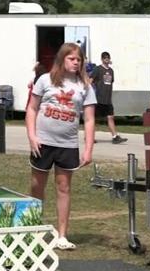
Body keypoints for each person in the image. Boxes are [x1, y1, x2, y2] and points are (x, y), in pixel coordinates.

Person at [26, 42, 96, 251]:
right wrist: (32, 136)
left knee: (63, 187)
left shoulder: (85, 86)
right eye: (72, 59)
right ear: (62, 59)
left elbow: (90, 120)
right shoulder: (45, 80)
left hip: (67, 144)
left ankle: (62, 235)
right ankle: (33, 229)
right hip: (43, 142)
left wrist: (88, 149)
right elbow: (32, 109)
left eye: (79, 59)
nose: (76, 63)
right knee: (37, 185)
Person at [90, 52, 127, 144]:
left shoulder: (111, 71)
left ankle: (115, 137)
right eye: (105, 58)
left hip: (108, 99)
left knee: (110, 117)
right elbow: (90, 81)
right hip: (99, 99)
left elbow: (110, 83)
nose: (107, 59)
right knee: (95, 120)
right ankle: (90, 137)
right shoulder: (97, 69)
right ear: (102, 59)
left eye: (108, 58)